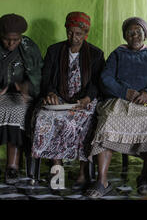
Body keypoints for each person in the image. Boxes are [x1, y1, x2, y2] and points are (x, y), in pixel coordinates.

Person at [86, 17, 147, 198]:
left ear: (145, 34)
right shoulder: (118, 53)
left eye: (138, 32)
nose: (135, 36)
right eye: (130, 33)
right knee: (107, 121)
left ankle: (144, 177)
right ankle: (102, 181)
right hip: (122, 100)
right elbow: (106, 78)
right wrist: (125, 92)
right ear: (125, 36)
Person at [31, 12, 105, 189]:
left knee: (86, 121)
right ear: (66, 30)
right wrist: (50, 93)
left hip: (83, 101)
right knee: (44, 118)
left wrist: (87, 97)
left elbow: (97, 82)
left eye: (78, 34)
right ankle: (57, 168)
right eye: (70, 33)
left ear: (86, 33)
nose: (74, 37)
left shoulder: (95, 54)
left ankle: (83, 171)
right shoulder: (54, 50)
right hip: (60, 98)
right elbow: (46, 78)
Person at [0, 14, 43, 184]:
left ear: (21, 37)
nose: (11, 44)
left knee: (18, 112)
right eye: (6, 39)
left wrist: (27, 88)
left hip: (20, 97)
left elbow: (38, 74)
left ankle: (13, 167)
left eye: (15, 40)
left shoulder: (29, 47)